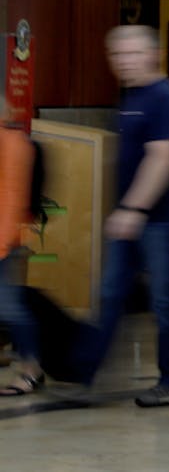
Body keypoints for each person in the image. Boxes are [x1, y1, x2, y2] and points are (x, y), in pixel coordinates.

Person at [71, 26, 169, 406]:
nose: (123, 61)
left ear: (152, 54)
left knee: (164, 301)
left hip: (159, 221)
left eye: (131, 53)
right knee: (109, 294)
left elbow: (164, 158)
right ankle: (82, 374)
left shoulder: (166, 98)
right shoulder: (132, 97)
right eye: (117, 55)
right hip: (132, 220)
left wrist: (133, 208)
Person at [0, 110, 41, 396]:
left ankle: (32, 368)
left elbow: (12, 198)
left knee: (9, 307)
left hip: (5, 242)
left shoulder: (12, 144)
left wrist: (1, 245)